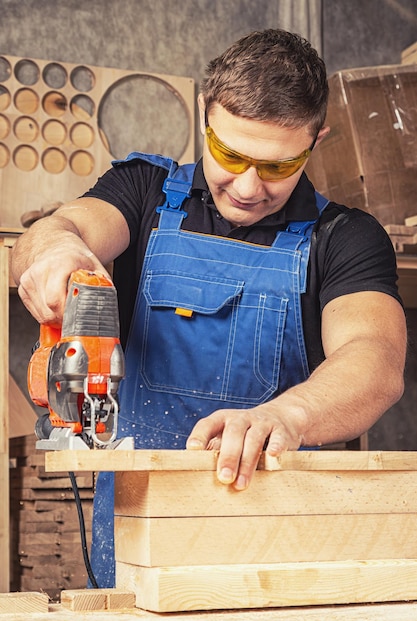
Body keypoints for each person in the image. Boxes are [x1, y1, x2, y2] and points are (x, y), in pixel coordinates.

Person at [11, 29, 407, 587]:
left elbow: (375, 359)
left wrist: (286, 417)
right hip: (135, 534)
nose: (247, 186)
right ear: (205, 113)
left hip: (279, 546)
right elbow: (60, 228)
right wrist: (55, 247)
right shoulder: (141, 192)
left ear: (315, 141)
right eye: (229, 154)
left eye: (276, 166)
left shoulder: (344, 237)